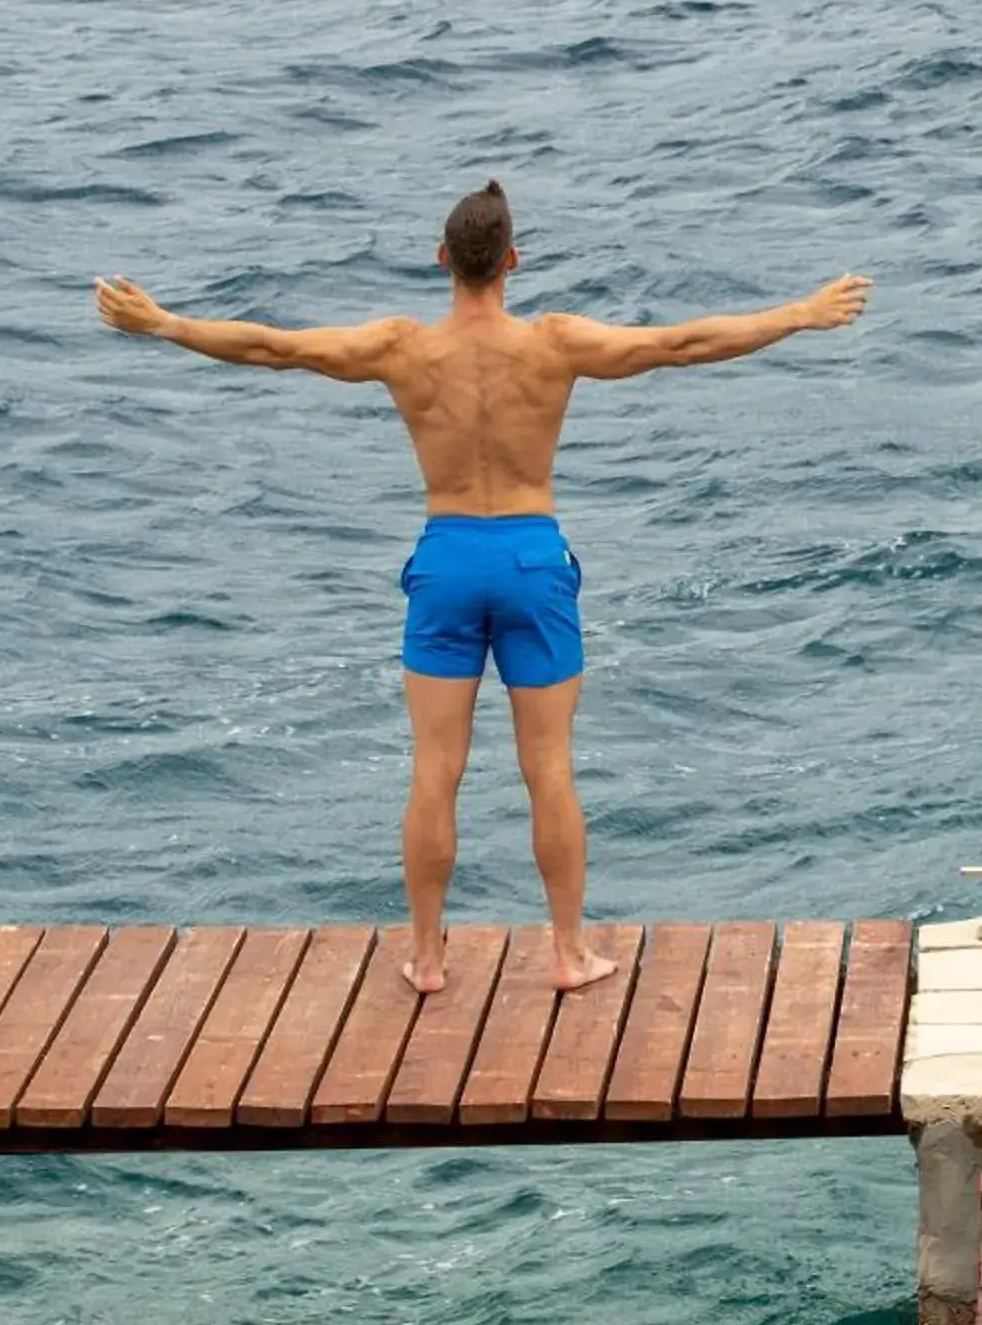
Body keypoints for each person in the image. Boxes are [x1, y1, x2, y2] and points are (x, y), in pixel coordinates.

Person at [97, 181, 872, 994]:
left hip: (447, 560)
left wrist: (167, 324)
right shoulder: (554, 344)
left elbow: (273, 347)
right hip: (532, 561)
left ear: (442, 261)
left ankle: (428, 959)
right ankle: (570, 954)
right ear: (513, 262)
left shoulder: (401, 349)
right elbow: (680, 344)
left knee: (435, 767)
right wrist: (799, 313)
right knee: (550, 767)